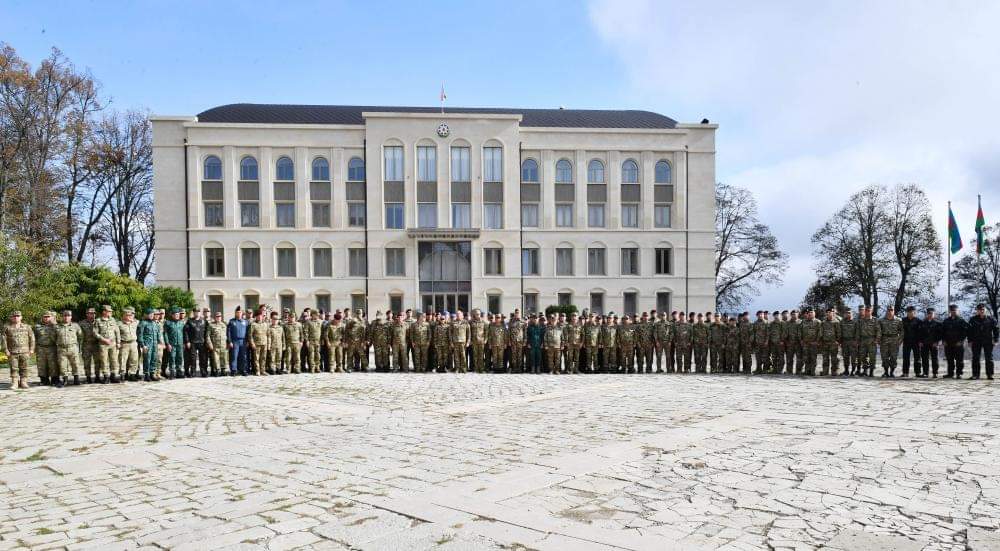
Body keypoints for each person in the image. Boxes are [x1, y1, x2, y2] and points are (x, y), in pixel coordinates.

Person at [4, 311, 34, 389]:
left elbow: (32, 338)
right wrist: (6, 350)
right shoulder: (7, 328)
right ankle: (15, 383)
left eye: (18, 316)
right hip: (12, 352)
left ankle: (23, 382)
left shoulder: (27, 327)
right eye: (14, 316)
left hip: (25, 351)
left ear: (21, 317)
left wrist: (31, 349)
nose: (16, 317)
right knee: (14, 368)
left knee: (24, 367)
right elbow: (4, 340)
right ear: (11, 318)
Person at [968, 303, 998, 380]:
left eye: (983, 309)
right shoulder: (973, 319)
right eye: (979, 310)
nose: (981, 311)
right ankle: (975, 375)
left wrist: (996, 339)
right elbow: (969, 331)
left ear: (985, 310)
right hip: (976, 341)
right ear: (977, 311)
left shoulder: (991, 319)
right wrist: (970, 340)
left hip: (988, 340)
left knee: (989, 358)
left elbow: (996, 330)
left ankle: (990, 374)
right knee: (975, 358)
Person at [53, 310, 83, 387]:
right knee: (63, 365)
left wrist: (78, 346)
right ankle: (65, 380)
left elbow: (80, 336)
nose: (66, 317)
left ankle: (76, 379)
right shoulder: (57, 327)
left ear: (71, 317)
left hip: (73, 348)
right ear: (62, 317)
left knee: (75, 364)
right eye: (64, 316)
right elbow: (53, 337)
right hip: (62, 349)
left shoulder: (75, 326)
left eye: (68, 316)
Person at [878, 307, 903, 378]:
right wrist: (879, 340)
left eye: (891, 310)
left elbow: (902, 331)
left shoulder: (898, 320)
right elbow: (879, 331)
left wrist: (900, 340)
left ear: (894, 311)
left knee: (893, 358)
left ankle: (892, 372)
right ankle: (886, 372)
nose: (890, 312)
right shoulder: (881, 320)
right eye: (888, 310)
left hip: (894, 341)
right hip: (884, 340)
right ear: (886, 311)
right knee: (884, 357)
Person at [183, 308, 207, 378]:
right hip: (192, 342)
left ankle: (203, 371)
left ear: (200, 313)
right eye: (195, 312)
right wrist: (187, 341)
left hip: (202, 342)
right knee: (192, 358)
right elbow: (186, 332)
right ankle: (193, 372)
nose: (197, 313)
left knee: (203, 358)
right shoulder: (189, 321)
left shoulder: (204, 321)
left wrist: (207, 341)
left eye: (198, 312)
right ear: (193, 313)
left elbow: (207, 332)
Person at [118, 308, 141, 381]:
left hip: (133, 343)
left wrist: (132, 320)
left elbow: (140, 321)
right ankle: (122, 374)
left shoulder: (135, 322)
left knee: (134, 359)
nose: (129, 317)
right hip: (124, 343)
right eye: (127, 315)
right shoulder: (119, 323)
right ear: (124, 315)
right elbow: (116, 334)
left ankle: (132, 374)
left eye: (130, 315)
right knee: (123, 360)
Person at [917, 308, 941, 378]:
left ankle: (935, 373)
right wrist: (920, 341)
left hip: (934, 344)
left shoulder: (938, 323)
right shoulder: (923, 323)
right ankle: (925, 373)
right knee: (924, 359)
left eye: (931, 313)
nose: (930, 315)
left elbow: (940, 334)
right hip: (925, 343)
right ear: (927, 314)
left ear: (934, 314)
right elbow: (920, 333)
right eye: (929, 313)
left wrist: (937, 342)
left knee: (935, 359)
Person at [901, 306, 922, 378]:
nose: (910, 313)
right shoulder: (903, 320)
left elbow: (921, 332)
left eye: (912, 312)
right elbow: (900, 331)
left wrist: (920, 341)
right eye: (909, 312)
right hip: (906, 341)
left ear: (914, 312)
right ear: (907, 313)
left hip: (916, 342)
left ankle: (918, 372)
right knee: (906, 358)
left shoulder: (918, 321)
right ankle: (905, 372)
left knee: (917, 358)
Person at [227, 307, 249, 376]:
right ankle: (233, 370)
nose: (239, 314)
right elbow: (228, 332)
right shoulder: (232, 321)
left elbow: (248, 332)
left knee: (243, 356)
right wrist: (229, 341)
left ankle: (243, 370)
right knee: (234, 356)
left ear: (242, 313)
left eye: (240, 312)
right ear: (235, 313)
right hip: (235, 341)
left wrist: (248, 341)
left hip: (243, 341)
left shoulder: (245, 322)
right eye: (237, 312)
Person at [798, 309, 820, 376]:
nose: (810, 313)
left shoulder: (818, 322)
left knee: (813, 358)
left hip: (814, 343)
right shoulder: (803, 322)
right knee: (806, 358)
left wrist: (817, 341)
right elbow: (800, 331)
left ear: (814, 313)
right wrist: (801, 340)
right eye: (809, 312)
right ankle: (807, 371)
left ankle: (812, 371)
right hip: (805, 343)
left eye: (811, 312)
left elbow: (820, 332)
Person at [79, 308, 98, 383]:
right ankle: (88, 377)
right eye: (90, 313)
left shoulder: (98, 322)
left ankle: (97, 376)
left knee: (98, 362)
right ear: (87, 314)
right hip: (86, 345)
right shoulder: (81, 323)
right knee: (87, 362)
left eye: (93, 313)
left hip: (97, 345)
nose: (92, 314)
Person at [247, 311, 270, 376]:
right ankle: (257, 371)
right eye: (258, 316)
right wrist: (252, 343)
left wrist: (268, 344)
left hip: (264, 344)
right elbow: (250, 335)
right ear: (256, 317)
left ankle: (263, 370)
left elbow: (268, 335)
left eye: (261, 316)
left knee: (263, 358)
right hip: (256, 344)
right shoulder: (253, 324)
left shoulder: (265, 324)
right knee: (256, 358)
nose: (260, 317)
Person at [205, 311, 227, 377]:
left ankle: (223, 370)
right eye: (217, 316)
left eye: (219, 316)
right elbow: (207, 336)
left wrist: (227, 343)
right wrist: (210, 344)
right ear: (215, 317)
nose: (218, 318)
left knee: (223, 358)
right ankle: (217, 370)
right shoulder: (211, 325)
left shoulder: (224, 325)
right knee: (215, 359)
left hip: (223, 345)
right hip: (215, 345)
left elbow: (226, 335)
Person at [839, 309, 859, 376]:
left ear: (852, 314)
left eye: (849, 313)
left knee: (853, 358)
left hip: (852, 341)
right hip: (844, 342)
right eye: (847, 313)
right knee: (845, 357)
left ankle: (853, 370)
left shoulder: (855, 321)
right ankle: (846, 370)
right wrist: (840, 340)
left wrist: (856, 341)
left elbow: (857, 332)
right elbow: (840, 331)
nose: (848, 314)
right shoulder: (842, 322)